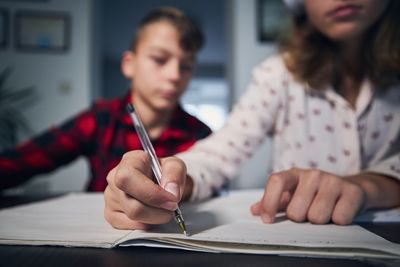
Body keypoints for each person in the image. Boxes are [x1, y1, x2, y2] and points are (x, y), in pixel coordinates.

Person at [104, 0, 400, 230]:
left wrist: (370, 186)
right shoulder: (278, 75)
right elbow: (219, 154)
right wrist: (175, 177)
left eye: (186, 65)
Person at [0, 7, 212, 192]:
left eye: (186, 66)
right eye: (159, 59)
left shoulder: (201, 134)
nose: (175, 75)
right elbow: (23, 160)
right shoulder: (101, 118)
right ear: (129, 64)